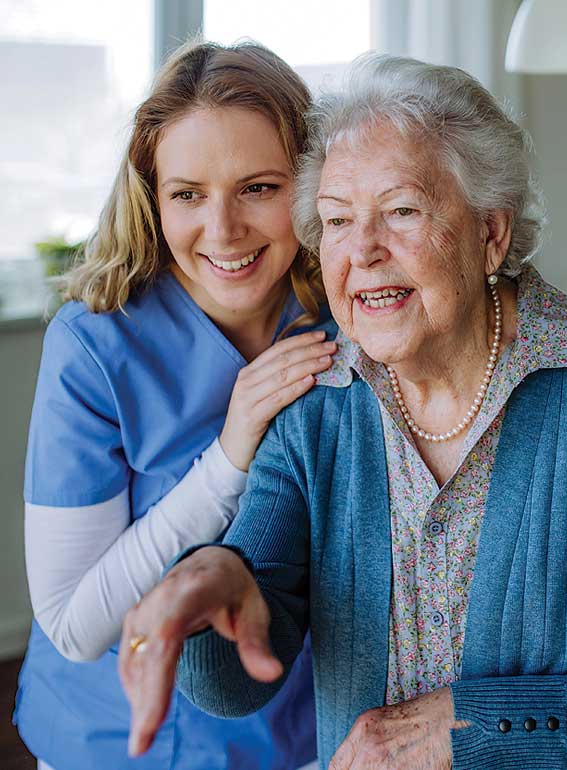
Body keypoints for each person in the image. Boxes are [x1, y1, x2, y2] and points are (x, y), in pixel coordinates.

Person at [118, 53, 567, 770]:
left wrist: (467, 728)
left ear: (490, 234)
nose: (362, 252)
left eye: (402, 211)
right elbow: (241, 663)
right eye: (337, 221)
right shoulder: (318, 401)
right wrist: (212, 586)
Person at [15, 39, 334, 770]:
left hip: (301, 731)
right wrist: (231, 450)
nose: (222, 231)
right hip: (116, 743)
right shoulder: (96, 346)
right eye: (187, 194)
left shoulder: (345, 319)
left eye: (258, 187)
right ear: (153, 198)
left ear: (313, 185)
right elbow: (74, 625)